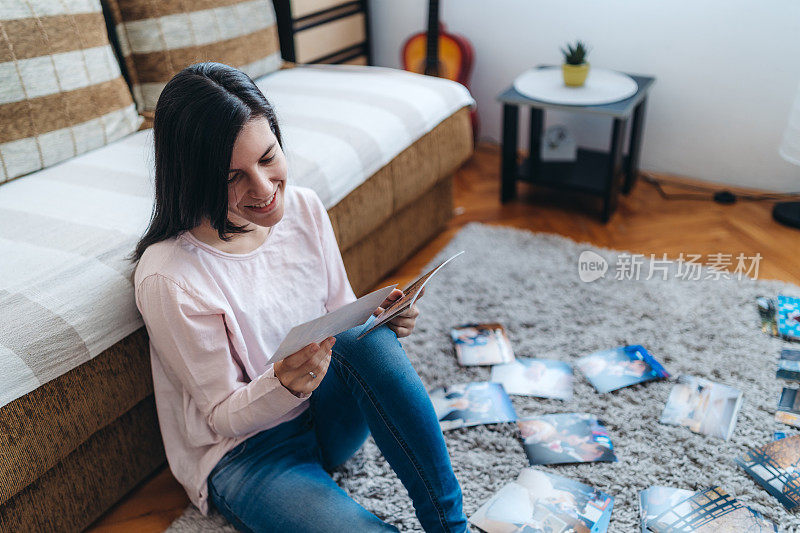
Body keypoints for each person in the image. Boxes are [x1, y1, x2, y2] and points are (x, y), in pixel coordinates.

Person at [128, 62, 468, 532]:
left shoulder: (303, 207)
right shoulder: (169, 278)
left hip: (325, 416)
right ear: (193, 178)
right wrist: (284, 384)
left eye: (268, 158)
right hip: (251, 455)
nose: (265, 190)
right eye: (233, 178)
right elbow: (222, 417)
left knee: (363, 339)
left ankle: (451, 524)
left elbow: (342, 317)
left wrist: (382, 324)